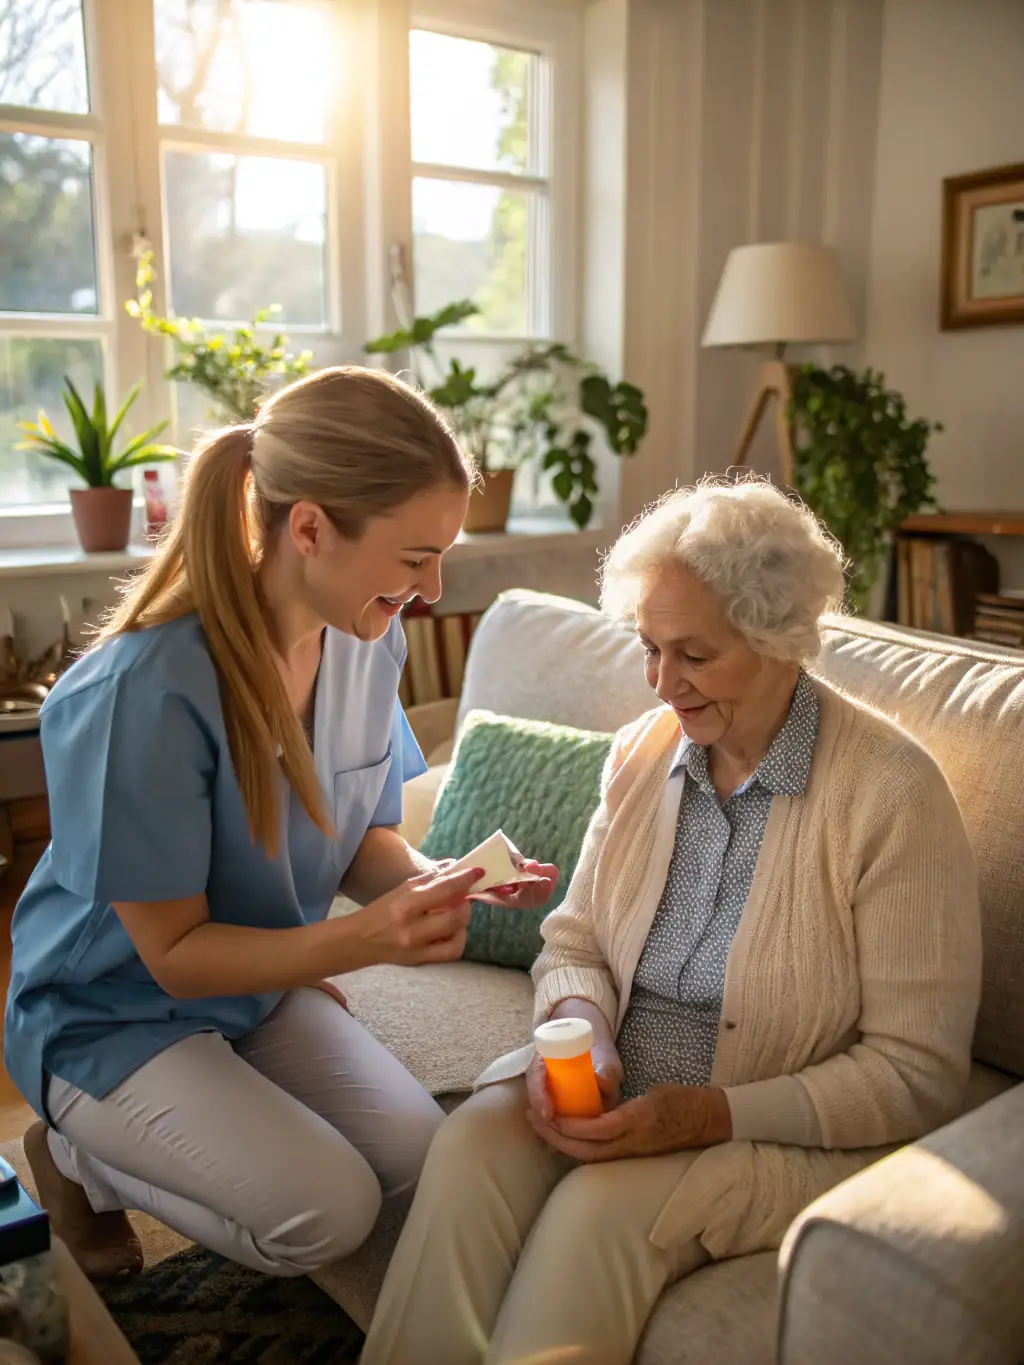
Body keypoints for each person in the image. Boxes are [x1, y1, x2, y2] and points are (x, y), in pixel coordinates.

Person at [360, 476, 983, 1365]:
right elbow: (573, 939)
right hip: (620, 1087)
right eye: (650, 649)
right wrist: (578, 1027)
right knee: (470, 1142)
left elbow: (917, 1073)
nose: (661, 684)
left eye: (693, 654)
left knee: (594, 1210)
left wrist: (710, 1115)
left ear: (779, 639)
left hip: (762, 1123)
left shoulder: (891, 794)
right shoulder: (643, 752)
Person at [5, 366, 557, 1283]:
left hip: (255, 986)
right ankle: (74, 1157)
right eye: (416, 555)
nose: (432, 585)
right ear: (309, 529)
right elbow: (173, 955)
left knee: (423, 1158)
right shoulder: (142, 692)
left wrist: (438, 877)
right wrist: (352, 943)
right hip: (109, 1010)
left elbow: (361, 836)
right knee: (325, 1214)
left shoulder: (366, 638)